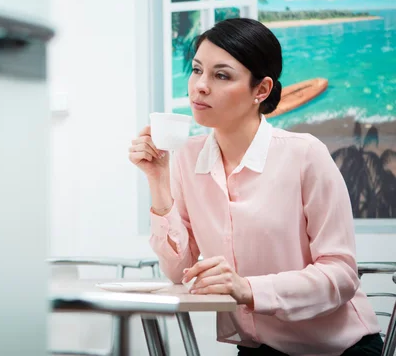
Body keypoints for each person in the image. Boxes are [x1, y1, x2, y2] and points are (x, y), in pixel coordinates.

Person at [128, 18, 383, 356]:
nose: (200, 86)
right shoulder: (187, 158)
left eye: (221, 75)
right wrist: (157, 178)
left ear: (260, 90)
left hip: (337, 348)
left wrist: (247, 288)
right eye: (196, 70)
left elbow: (341, 276)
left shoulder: (305, 155)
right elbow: (179, 272)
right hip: (260, 347)